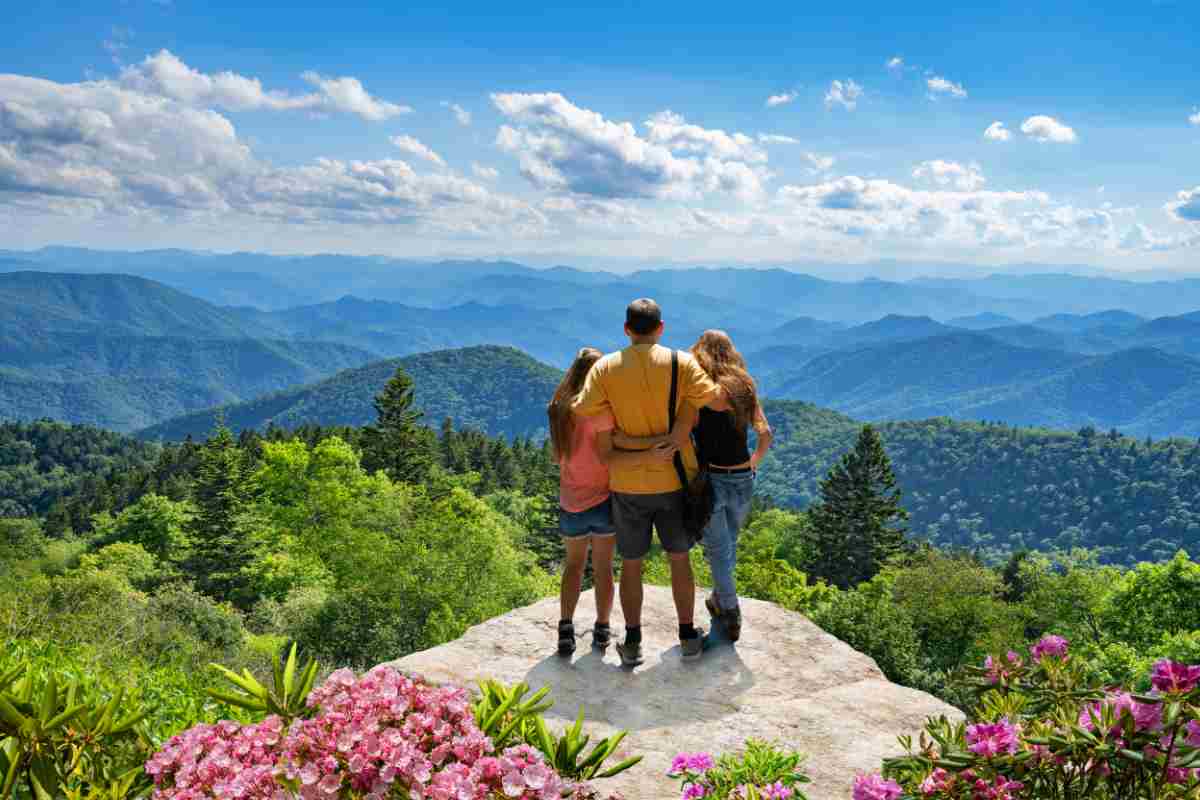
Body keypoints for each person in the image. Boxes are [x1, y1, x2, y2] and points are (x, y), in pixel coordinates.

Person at [571, 299, 727, 666]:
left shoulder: (606, 368)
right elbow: (717, 401)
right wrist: (684, 415)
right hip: (674, 478)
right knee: (679, 559)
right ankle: (688, 636)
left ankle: (633, 640)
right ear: (661, 328)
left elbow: (581, 408)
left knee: (631, 564)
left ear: (626, 329)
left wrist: (624, 436)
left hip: (626, 483)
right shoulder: (681, 363)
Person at [548, 346, 679, 657]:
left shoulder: (557, 409)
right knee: (604, 568)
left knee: (573, 566)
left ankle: (565, 629)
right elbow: (614, 450)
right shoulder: (601, 412)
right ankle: (602, 628)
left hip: (571, 499)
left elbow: (557, 456)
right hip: (605, 498)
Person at [688, 330, 773, 644]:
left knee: (719, 550)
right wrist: (754, 462)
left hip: (710, 479)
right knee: (727, 547)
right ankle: (720, 600)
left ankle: (731, 611)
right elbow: (765, 433)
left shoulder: (700, 391)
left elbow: (686, 431)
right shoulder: (745, 388)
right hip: (742, 478)